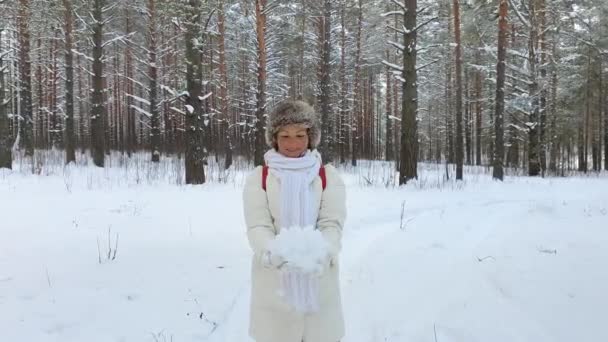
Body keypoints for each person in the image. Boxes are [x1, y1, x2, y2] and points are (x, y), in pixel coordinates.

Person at [243, 100, 346, 342]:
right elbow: (258, 225)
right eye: (285, 135)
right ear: (274, 138)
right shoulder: (260, 177)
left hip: (319, 285)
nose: (292, 143)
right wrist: (271, 252)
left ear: (311, 137)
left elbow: (332, 223)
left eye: (300, 134)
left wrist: (324, 251)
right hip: (274, 286)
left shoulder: (327, 175)